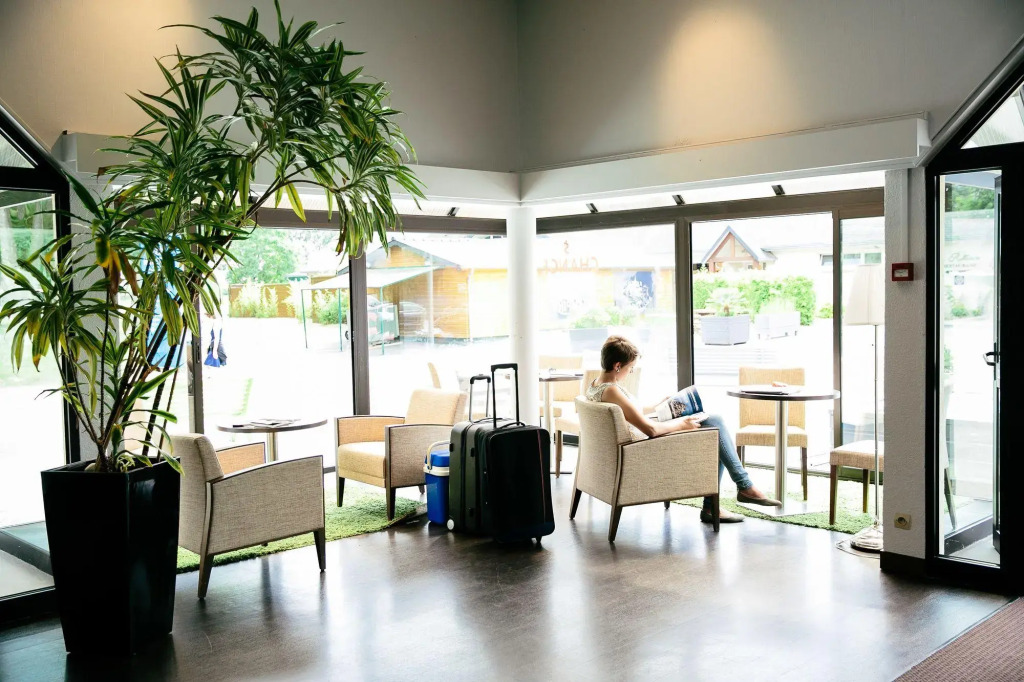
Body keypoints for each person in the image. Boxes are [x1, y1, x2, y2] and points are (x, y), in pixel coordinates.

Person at [585, 336, 782, 524]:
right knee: (715, 429)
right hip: (643, 449)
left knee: (713, 421)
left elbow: (628, 413)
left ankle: (735, 492)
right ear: (617, 366)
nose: (631, 372)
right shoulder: (612, 390)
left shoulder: (596, 385)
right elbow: (650, 429)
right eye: (630, 368)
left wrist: (659, 406)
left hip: (636, 443)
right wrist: (682, 424)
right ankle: (739, 489)